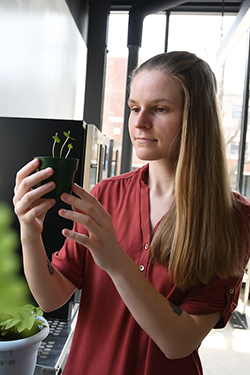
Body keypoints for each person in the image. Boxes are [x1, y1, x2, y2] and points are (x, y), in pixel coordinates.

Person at [13, 51, 250, 375]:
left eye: (159, 109)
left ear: (196, 118)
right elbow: (51, 299)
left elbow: (178, 343)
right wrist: (30, 231)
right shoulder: (106, 195)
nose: (139, 122)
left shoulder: (232, 217)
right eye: (134, 108)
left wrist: (116, 261)